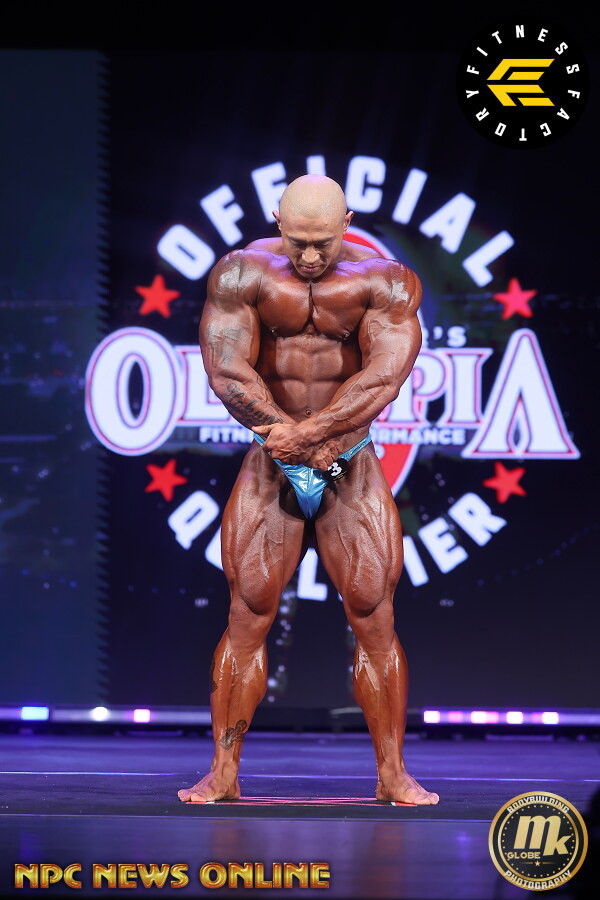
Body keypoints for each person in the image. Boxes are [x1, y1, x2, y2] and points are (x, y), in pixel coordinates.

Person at [178, 174, 439, 805]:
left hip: (348, 459)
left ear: (347, 222)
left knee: (374, 616)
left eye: (324, 240)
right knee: (247, 614)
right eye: (298, 241)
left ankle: (392, 775)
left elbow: (384, 377)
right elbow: (226, 369)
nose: (312, 256)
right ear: (277, 220)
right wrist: (283, 435)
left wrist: (317, 434)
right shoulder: (242, 274)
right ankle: (223, 772)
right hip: (273, 458)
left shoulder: (386, 282)